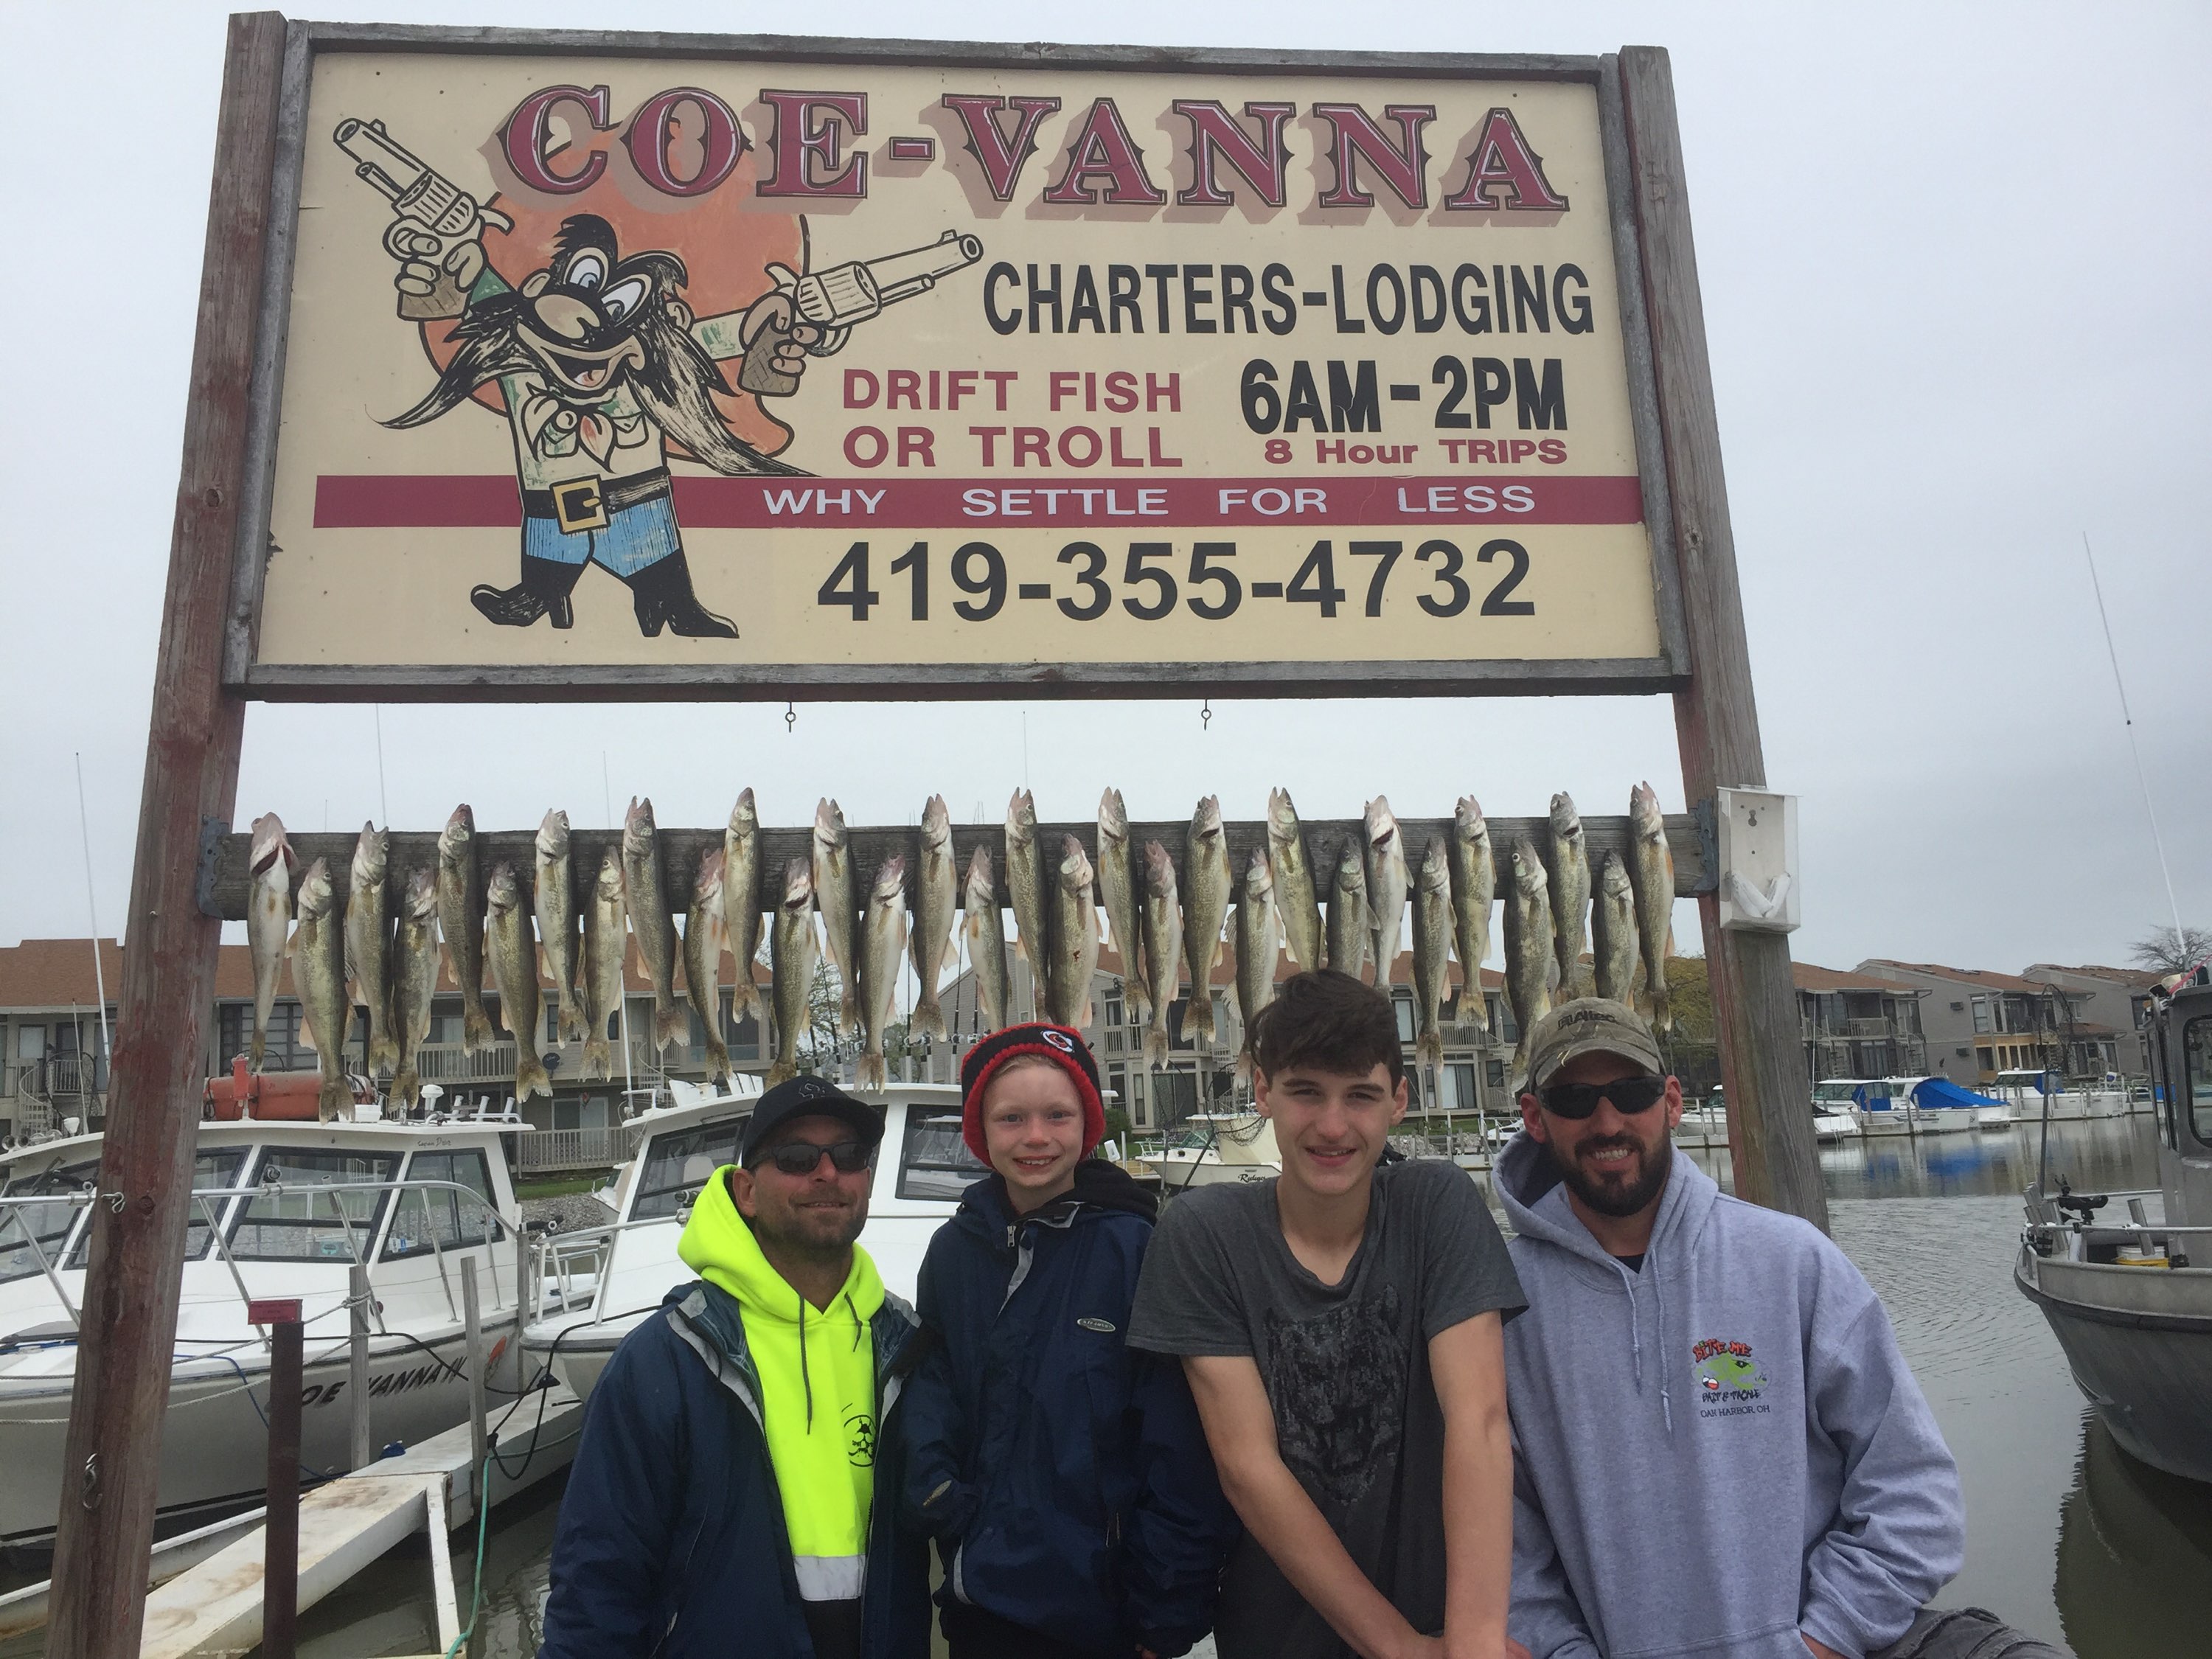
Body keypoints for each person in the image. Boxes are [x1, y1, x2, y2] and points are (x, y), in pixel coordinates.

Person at [1498, 998, 1976, 1659]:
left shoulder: (1793, 1260)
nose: (1607, 1121)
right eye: (1575, 1099)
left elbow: (1911, 1488)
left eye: (1631, 1092)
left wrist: (1821, 1641)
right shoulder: (1500, 1305)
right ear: (1535, 1118)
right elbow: (1503, 1544)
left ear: (1670, 1101)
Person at [1130, 969, 1526, 1659]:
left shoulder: (1437, 1206)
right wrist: (1399, 1650)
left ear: (1399, 1101)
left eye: (1362, 1096)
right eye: (1306, 1092)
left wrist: (1475, 1640)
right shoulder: (1203, 1233)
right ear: (1263, 1092)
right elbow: (1248, 1469)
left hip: (1446, 1626)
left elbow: (1481, 1422)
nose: (1333, 1125)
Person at [540, 1076, 929, 1659]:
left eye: (848, 1156)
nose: (827, 1173)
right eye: (797, 1158)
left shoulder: (906, 1346)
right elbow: (598, 1581)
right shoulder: (665, 1358)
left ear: (866, 1179)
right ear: (746, 1191)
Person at [902, 1023, 1237, 1659]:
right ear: (980, 1134)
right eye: (1011, 1118)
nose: (1035, 1137)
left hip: (1105, 1612)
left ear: (1088, 1125)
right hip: (980, 1598)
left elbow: (1180, 1442)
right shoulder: (952, 1253)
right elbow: (931, 1381)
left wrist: (1165, 1607)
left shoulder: (1138, 1250)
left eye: (1058, 1115)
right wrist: (936, 1491)